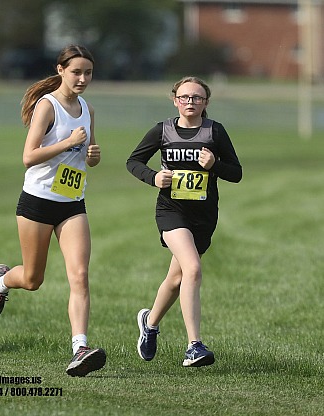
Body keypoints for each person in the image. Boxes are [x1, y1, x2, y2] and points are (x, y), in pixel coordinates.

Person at [0, 44, 106, 377]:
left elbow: (86, 155)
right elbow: (28, 156)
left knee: (80, 275)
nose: (82, 79)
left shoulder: (87, 109)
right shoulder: (47, 106)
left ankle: (80, 347)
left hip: (72, 203)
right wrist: (68, 142)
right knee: (33, 279)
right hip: (37, 201)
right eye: (76, 72)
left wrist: (92, 156)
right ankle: (1, 283)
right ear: (61, 70)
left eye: (88, 73)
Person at [126, 76, 242, 367]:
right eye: (185, 97)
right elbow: (133, 161)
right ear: (175, 100)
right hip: (171, 210)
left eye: (197, 98)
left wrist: (215, 164)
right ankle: (194, 346)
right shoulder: (162, 130)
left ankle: (149, 323)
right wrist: (153, 177)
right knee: (192, 268)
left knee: (177, 278)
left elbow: (236, 173)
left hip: (203, 215)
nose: (190, 102)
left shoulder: (215, 132)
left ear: (206, 103)